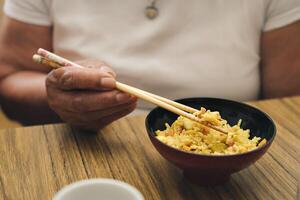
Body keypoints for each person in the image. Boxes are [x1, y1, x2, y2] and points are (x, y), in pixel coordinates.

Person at [0, 0, 299, 131]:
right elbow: (9, 78)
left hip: (230, 158)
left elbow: (289, 106)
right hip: (83, 145)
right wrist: (58, 99)